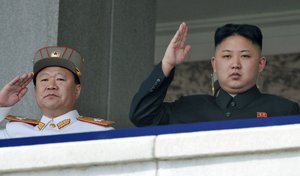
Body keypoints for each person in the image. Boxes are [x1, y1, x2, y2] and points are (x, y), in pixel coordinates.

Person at [129, 22, 300, 127]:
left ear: (261, 64)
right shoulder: (187, 108)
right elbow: (142, 116)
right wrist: (167, 64)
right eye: (226, 56)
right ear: (214, 64)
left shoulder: (283, 110)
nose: (235, 64)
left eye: (245, 56)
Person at [0, 46, 114, 138]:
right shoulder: (14, 132)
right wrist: (2, 105)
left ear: (77, 90)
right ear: (35, 90)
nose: (51, 86)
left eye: (60, 79)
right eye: (44, 80)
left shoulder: (99, 133)